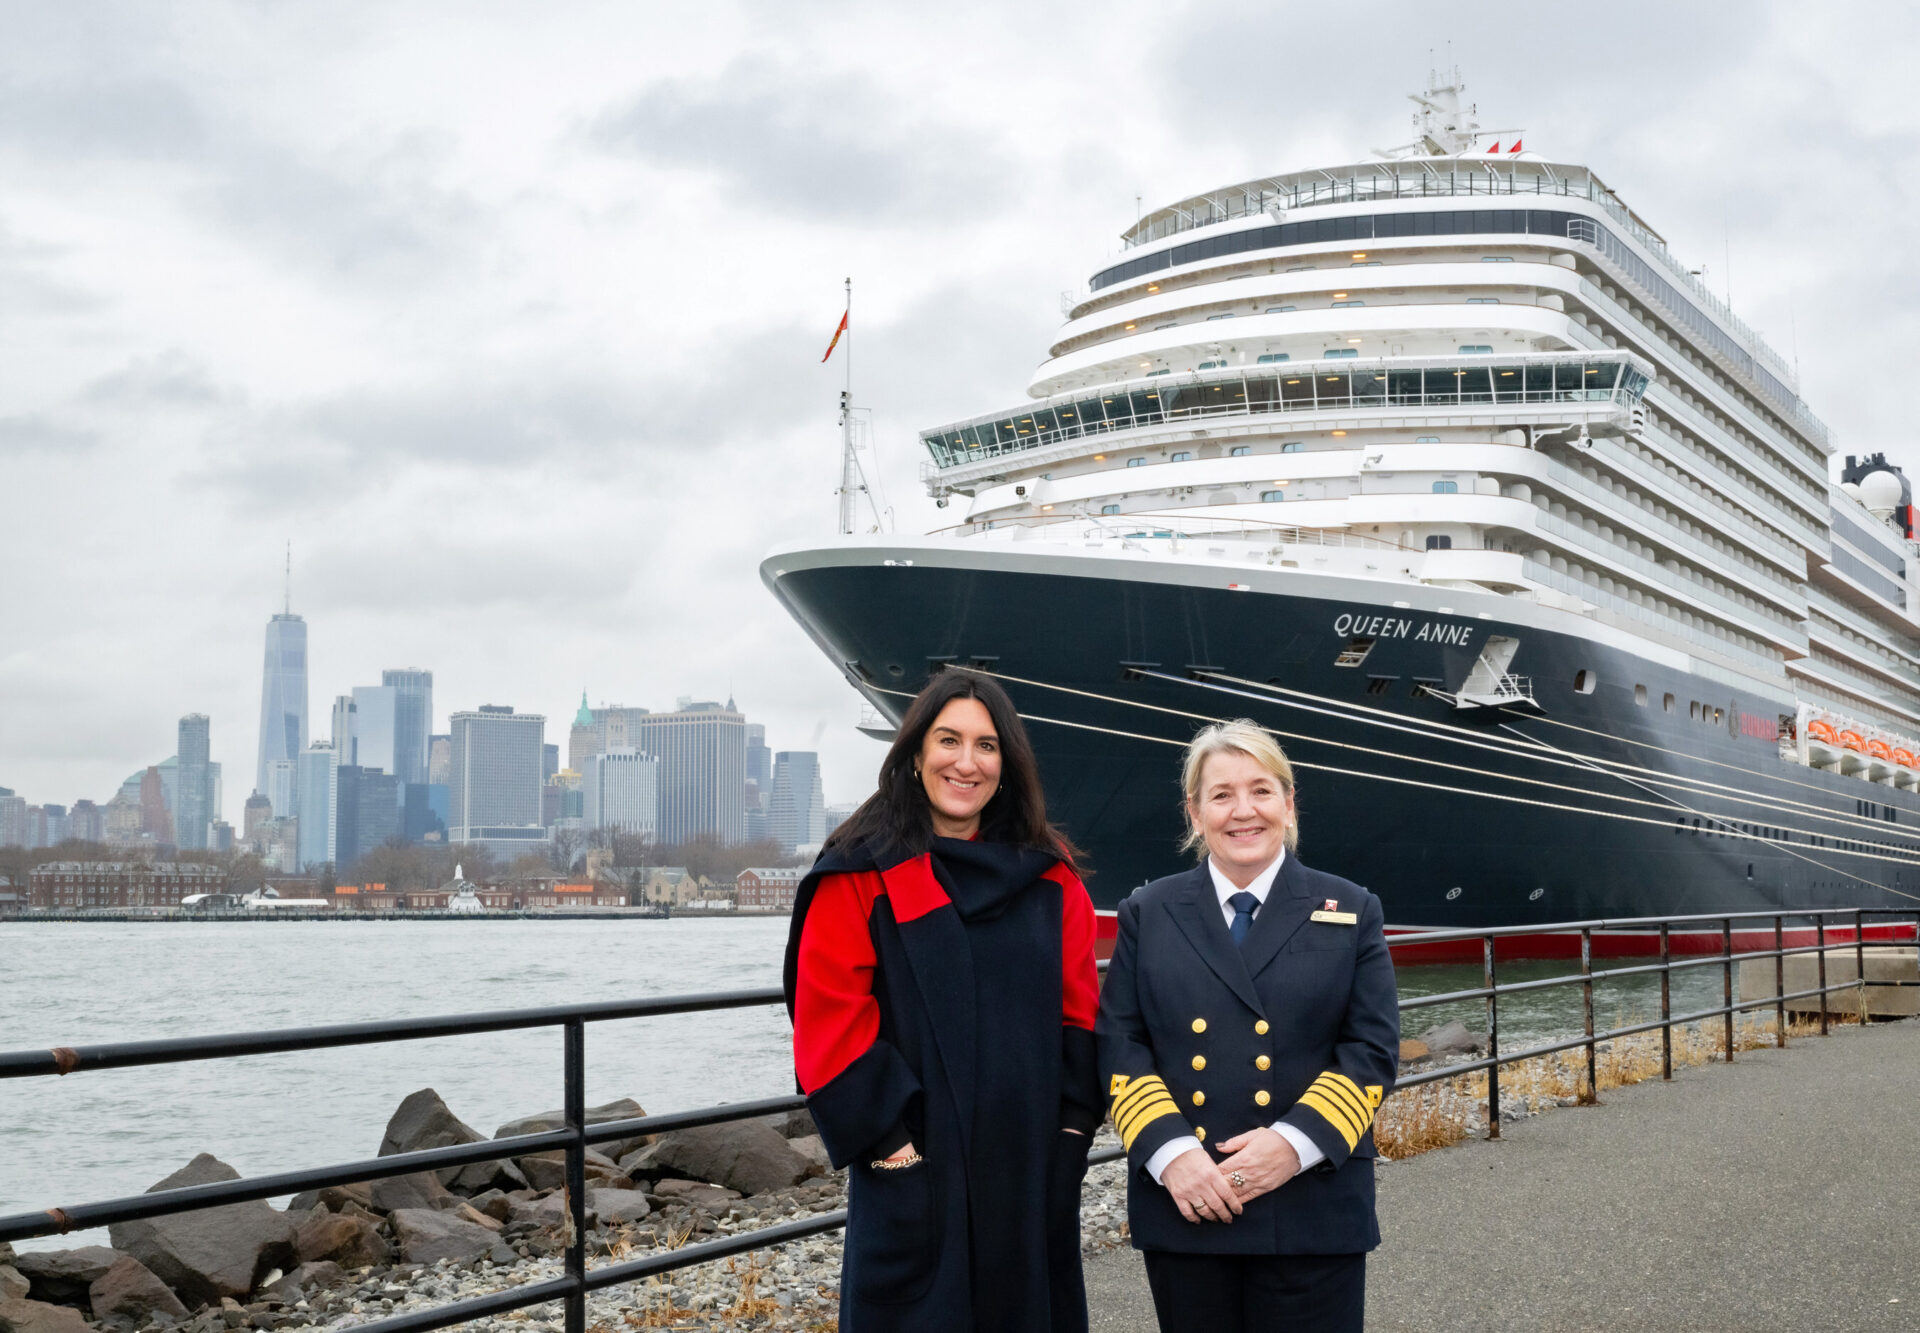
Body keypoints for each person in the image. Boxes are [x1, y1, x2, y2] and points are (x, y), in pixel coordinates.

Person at [783, 669, 1101, 1332]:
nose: (966, 761)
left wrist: (1070, 1141)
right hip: (918, 1175)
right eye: (948, 739)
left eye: (986, 745)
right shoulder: (863, 868)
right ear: (916, 753)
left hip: (1028, 1177)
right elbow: (828, 1022)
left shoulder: (1052, 875)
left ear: (1007, 763)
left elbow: (1080, 1016)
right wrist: (893, 1152)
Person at [1095, 719, 1398, 1333]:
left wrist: (1291, 1147)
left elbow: (1370, 1049)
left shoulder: (1351, 909)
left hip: (1312, 1204)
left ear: (1288, 804)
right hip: (1190, 1201)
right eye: (1222, 794)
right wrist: (1174, 1155)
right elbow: (1120, 1044)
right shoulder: (1147, 915)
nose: (1244, 811)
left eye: (1261, 790)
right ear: (1194, 812)